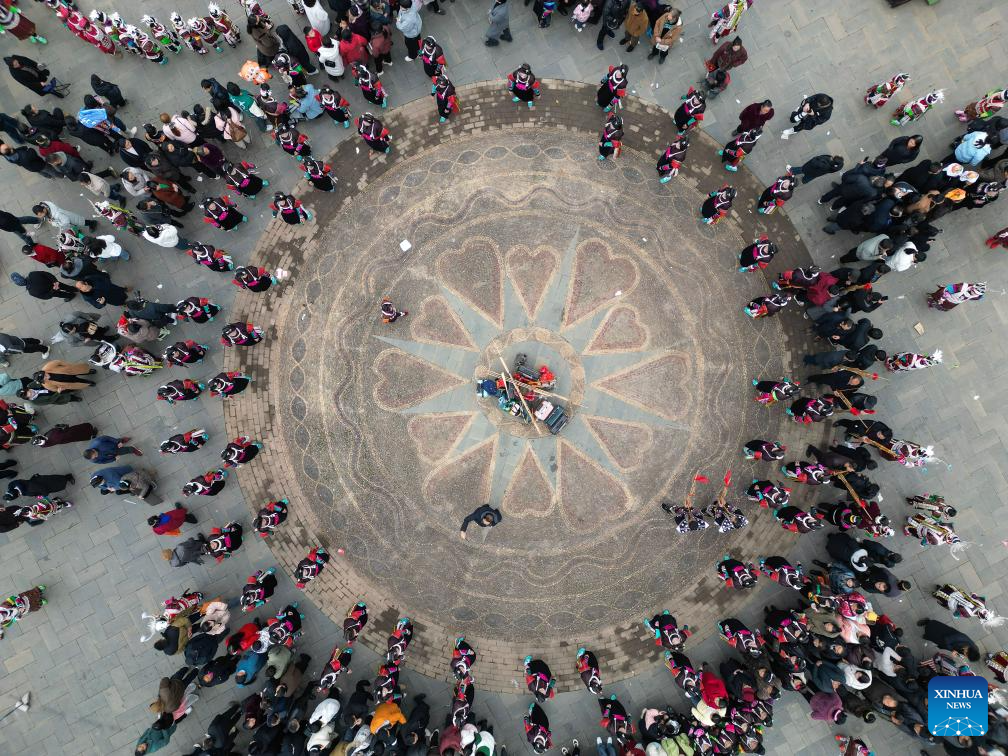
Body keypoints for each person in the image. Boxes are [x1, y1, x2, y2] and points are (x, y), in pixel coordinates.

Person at [4, 473, 74, 501]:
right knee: (54, 478)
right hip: (40, 480)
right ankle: (66, 477)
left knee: (57, 482)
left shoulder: (27, 489)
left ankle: (68, 477)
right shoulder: (11, 485)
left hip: (46, 485)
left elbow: (41, 489)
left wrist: (44, 496)